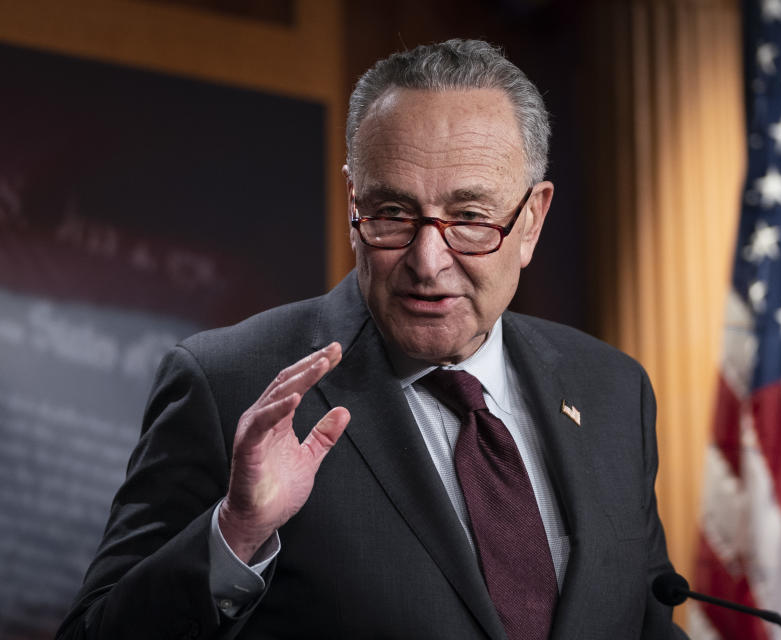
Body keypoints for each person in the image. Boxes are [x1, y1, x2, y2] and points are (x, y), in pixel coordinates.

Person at [57, 39, 688, 639]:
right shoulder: (229, 384)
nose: (427, 259)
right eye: (392, 214)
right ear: (354, 202)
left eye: (469, 219)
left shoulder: (610, 390)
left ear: (532, 219)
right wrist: (235, 533)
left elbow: (645, 617)